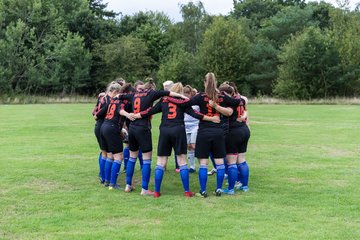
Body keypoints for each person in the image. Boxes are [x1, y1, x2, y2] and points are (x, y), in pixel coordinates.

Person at [135, 83, 219, 197]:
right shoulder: (182, 101)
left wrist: (136, 115)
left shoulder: (164, 99)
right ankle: (187, 191)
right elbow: (195, 114)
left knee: (161, 161)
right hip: (178, 130)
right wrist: (211, 118)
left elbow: (150, 111)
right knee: (182, 161)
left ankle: (156, 191)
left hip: (165, 130)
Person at [168, 73, 241, 197]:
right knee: (219, 163)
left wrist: (169, 97)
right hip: (218, 132)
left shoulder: (201, 96)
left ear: (204, 83)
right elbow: (237, 101)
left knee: (203, 163)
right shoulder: (221, 96)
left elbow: (185, 104)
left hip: (203, 132)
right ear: (216, 82)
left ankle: (203, 190)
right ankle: (218, 189)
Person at [118, 78, 189, 196]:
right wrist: (183, 97)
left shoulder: (135, 94)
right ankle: (144, 189)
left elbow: (120, 97)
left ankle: (128, 185)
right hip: (143, 128)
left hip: (132, 127)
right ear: (152, 88)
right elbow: (169, 93)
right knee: (147, 159)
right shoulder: (151, 93)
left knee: (132, 157)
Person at [100, 82, 134, 190]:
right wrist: (128, 115)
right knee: (118, 157)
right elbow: (121, 110)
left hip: (104, 126)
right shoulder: (122, 100)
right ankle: (113, 184)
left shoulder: (113, 99)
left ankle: (107, 181)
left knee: (110, 155)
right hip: (112, 128)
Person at [93, 89, 111, 184]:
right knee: (108, 154)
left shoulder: (102, 97)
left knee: (104, 152)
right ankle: (106, 179)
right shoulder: (109, 100)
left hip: (99, 126)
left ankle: (103, 176)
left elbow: (94, 112)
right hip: (104, 127)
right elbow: (95, 115)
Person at [183, 85, 199, 173]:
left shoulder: (196, 102)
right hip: (186, 126)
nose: (185, 95)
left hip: (195, 125)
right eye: (184, 93)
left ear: (190, 93)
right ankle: (192, 166)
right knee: (189, 146)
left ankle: (202, 164)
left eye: (187, 93)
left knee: (194, 145)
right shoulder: (182, 102)